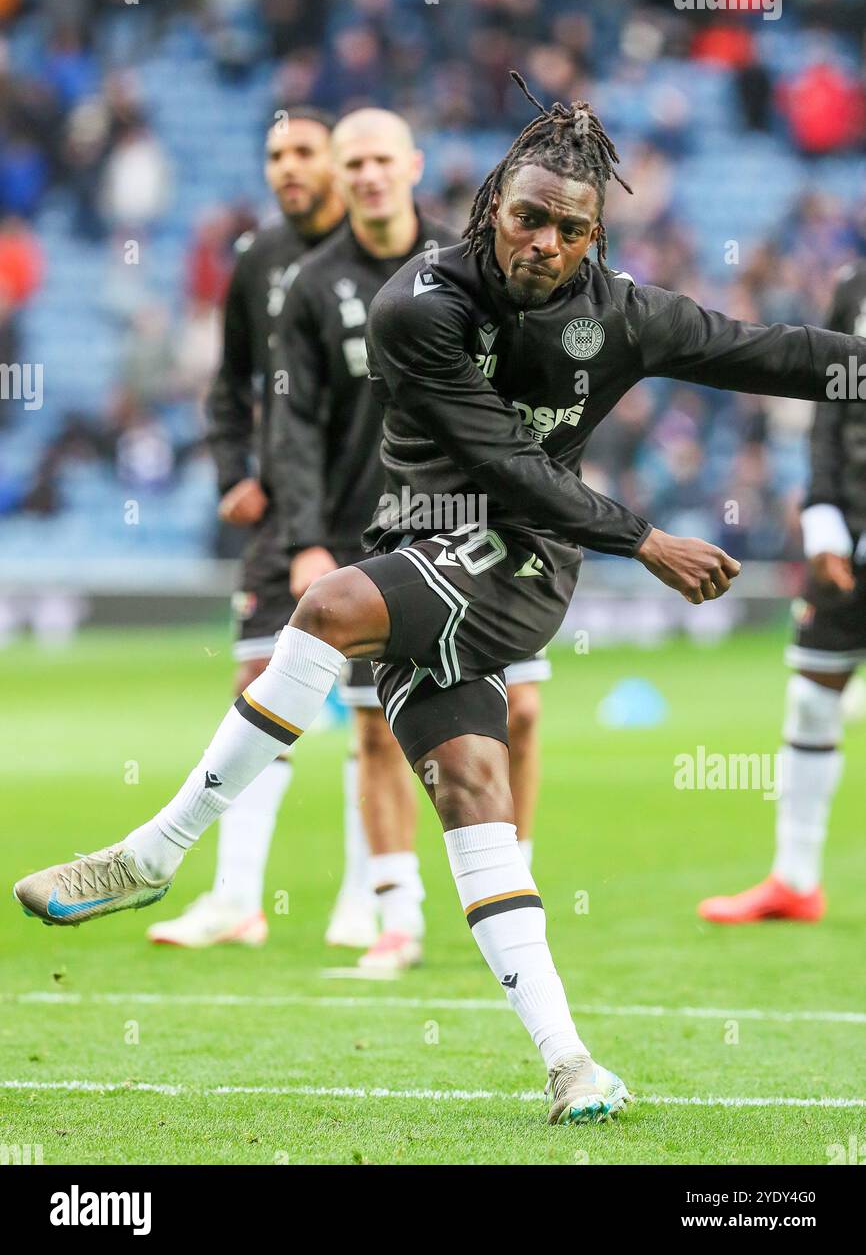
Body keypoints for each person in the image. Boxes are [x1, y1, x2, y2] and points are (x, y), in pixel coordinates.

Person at [16, 73, 865, 1126]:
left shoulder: (624, 315)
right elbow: (500, 456)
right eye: (527, 218)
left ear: (595, 238)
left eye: (569, 228)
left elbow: (770, 352)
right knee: (471, 793)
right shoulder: (415, 304)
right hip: (427, 545)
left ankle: (154, 853)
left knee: (327, 609)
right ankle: (571, 1062)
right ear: (488, 210)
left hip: (519, 566)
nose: (544, 242)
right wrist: (642, 536)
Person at [267, 106, 549, 973]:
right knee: (373, 730)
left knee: (524, 712)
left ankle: (509, 880)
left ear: (414, 165)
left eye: (382, 159)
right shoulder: (311, 286)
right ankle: (396, 911)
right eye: (352, 164)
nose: (368, 175)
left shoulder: (467, 269)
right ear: (339, 176)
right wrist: (306, 538)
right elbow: (293, 419)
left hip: (481, 524)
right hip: (368, 535)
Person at [146, 108, 348, 948]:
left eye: (304, 151)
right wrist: (233, 472)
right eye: (275, 154)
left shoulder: (395, 253)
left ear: (340, 162)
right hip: (285, 503)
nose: (288, 166)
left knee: (378, 706)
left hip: (380, 502)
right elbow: (229, 384)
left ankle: (375, 899)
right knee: (257, 683)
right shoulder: (258, 258)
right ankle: (236, 899)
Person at [699, 261, 866, 924]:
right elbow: (830, 404)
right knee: (811, 698)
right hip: (848, 536)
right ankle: (795, 880)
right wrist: (823, 516)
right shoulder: (853, 283)